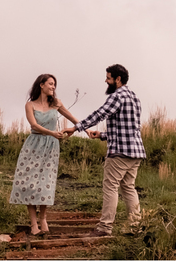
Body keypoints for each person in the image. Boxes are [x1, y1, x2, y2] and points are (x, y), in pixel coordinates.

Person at [65, 64, 145, 237]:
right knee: (129, 188)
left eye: (108, 78)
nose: (105, 81)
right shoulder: (134, 97)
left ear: (117, 79)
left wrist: (76, 127)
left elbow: (99, 114)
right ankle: (135, 227)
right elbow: (128, 129)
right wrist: (101, 135)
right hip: (135, 152)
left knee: (110, 187)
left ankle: (104, 228)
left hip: (119, 153)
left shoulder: (117, 96)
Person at [9, 73, 80, 236]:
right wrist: (52, 132)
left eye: (54, 84)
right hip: (33, 145)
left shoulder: (56, 103)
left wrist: (85, 129)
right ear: (41, 85)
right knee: (29, 182)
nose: (53, 87)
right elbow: (34, 125)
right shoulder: (30, 105)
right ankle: (33, 224)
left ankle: (43, 219)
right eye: (50, 84)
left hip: (50, 147)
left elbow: (73, 118)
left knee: (45, 182)